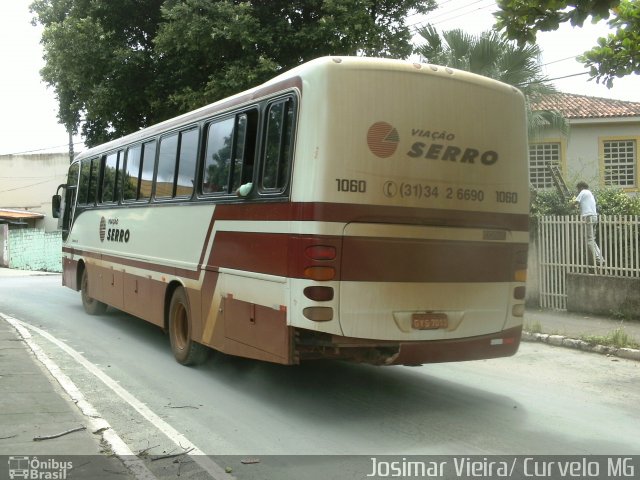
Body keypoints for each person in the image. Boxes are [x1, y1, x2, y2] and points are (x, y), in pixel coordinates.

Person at [574, 181, 604, 265]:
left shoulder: (583, 192)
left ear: (581, 187)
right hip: (594, 217)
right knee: (592, 240)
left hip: (588, 217)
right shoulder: (590, 193)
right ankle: (600, 258)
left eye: (578, 189)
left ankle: (598, 260)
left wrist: (570, 204)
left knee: (588, 240)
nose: (577, 191)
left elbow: (576, 202)